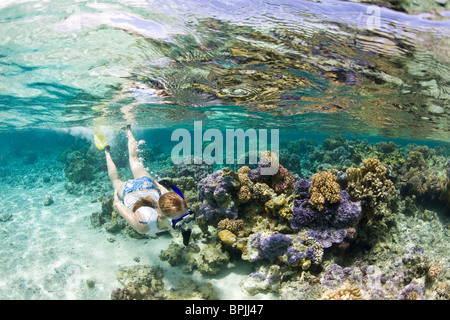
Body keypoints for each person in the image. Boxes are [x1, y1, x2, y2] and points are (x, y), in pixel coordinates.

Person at [104, 125, 189, 239]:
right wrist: (117, 192)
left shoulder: (173, 206)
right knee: (116, 181)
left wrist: (155, 183)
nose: (184, 225)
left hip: (146, 185)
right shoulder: (143, 227)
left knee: (134, 160)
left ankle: (128, 129)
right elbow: (117, 204)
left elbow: (163, 190)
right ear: (162, 216)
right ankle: (106, 151)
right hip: (129, 192)